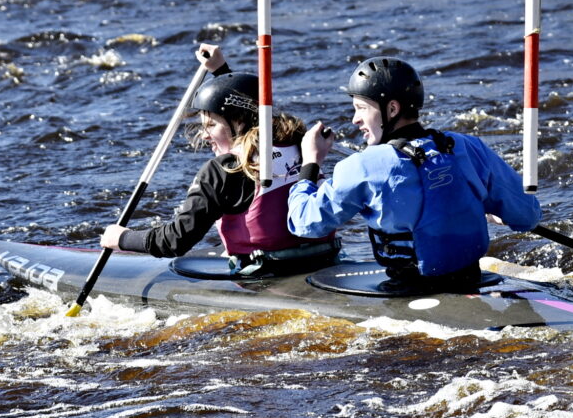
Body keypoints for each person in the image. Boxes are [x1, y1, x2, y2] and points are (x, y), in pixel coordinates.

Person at [287, 56, 541, 292]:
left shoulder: (361, 166)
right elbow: (527, 216)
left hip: (408, 288)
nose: (355, 119)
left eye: (361, 108)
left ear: (392, 108)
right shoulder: (468, 146)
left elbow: (305, 223)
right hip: (469, 279)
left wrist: (311, 163)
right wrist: (484, 204)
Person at [101, 44, 339, 276]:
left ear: (238, 122)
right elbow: (254, 110)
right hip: (323, 259)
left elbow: (174, 242)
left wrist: (121, 237)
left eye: (211, 125)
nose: (205, 135)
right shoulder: (301, 142)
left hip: (265, 272)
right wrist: (220, 71)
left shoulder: (223, 171)